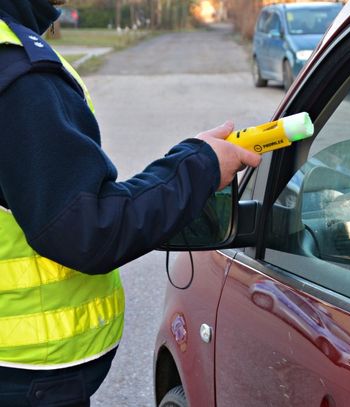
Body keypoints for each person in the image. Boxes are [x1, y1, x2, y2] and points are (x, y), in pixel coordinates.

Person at [0, 0, 261, 405]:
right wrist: (200, 167)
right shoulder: (19, 74)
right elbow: (86, 229)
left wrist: (193, 157)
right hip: (24, 375)